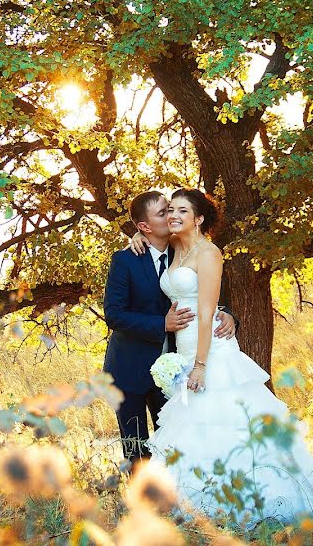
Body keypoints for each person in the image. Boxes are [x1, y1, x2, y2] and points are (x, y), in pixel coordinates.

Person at [131, 188, 313, 524]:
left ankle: (248, 500)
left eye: (182, 211)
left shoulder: (208, 254)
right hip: (184, 348)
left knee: (226, 422)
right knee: (196, 428)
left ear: (199, 218)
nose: (173, 216)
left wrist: (201, 365)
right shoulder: (176, 245)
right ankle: (202, 500)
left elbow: (206, 313)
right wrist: (135, 235)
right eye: (170, 210)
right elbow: (152, 232)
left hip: (211, 351)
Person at [103, 191, 236, 464]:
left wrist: (228, 314)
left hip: (175, 367)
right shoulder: (126, 259)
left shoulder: (183, 249)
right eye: (164, 213)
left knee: (177, 442)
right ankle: (141, 503)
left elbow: (203, 292)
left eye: (173, 209)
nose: (172, 215)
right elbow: (114, 315)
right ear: (144, 227)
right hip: (131, 367)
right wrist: (160, 324)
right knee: (136, 447)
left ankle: (178, 499)